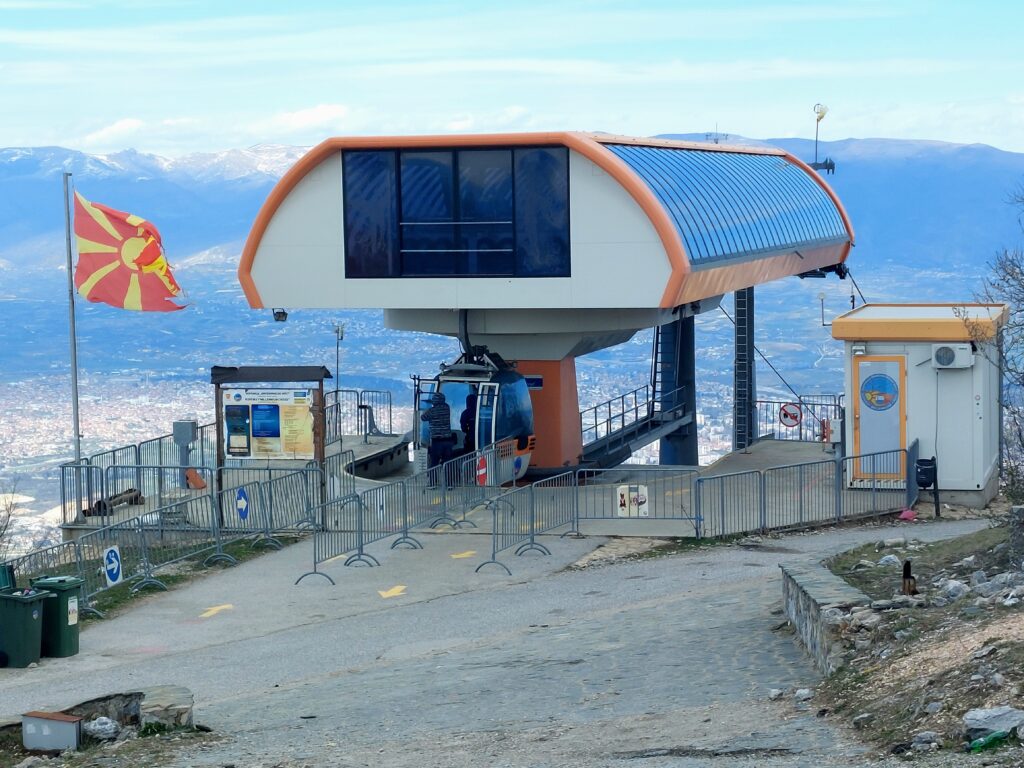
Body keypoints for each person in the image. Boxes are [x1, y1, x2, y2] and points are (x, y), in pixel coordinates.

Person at [421, 392, 454, 475]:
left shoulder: (432, 411)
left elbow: (423, 418)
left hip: (437, 441)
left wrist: (427, 407)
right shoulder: (447, 408)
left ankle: (433, 483)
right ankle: (449, 483)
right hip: (448, 440)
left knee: (434, 462)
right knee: (447, 463)